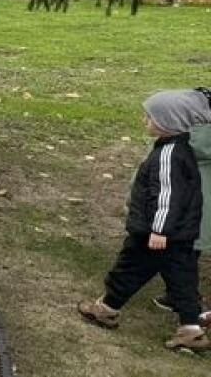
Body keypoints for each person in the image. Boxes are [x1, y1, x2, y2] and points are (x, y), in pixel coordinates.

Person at [79, 90, 211, 351]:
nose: (145, 121)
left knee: (128, 270)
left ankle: (106, 309)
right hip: (185, 234)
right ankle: (191, 331)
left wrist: (159, 230)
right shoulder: (184, 150)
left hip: (155, 233)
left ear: (170, 123)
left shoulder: (167, 156)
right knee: (184, 282)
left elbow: (167, 196)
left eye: (150, 117)